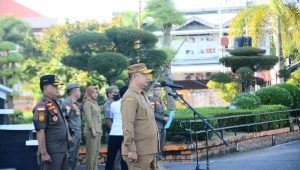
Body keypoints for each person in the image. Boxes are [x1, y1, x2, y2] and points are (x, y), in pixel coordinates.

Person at [121, 63, 159, 170]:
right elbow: (127, 125)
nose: (148, 78)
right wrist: (131, 149)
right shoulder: (130, 97)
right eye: (145, 75)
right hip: (139, 152)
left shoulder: (141, 95)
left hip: (147, 150)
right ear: (135, 77)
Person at [33, 75, 71, 170]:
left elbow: (63, 122)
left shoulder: (55, 103)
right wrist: (44, 153)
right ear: (45, 87)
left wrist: (68, 136)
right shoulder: (42, 105)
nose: (57, 88)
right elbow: (40, 131)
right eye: (54, 86)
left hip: (62, 149)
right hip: (52, 152)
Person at [105, 86, 129, 170]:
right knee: (124, 159)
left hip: (114, 134)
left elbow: (111, 118)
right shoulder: (130, 105)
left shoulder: (113, 104)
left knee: (110, 158)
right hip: (124, 134)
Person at [62, 83, 82, 170]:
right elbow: (64, 119)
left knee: (75, 157)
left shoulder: (75, 103)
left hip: (77, 132)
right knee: (70, 157)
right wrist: (68, 135)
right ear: (74, 91)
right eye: (79, 90)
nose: (80, 92)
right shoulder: (67, 103)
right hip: (72, 133)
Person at [82, 86, 102, 170]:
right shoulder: (87, 103)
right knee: (91, 154)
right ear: (89, 93)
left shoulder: (95, 102)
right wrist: (92, 129)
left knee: (96, 153)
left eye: (96, 92)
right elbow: (88, 118)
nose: (96, 94)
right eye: (93, 92)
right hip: (91, 131)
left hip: (98, 130)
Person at [148, 83, 169, 163]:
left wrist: (167, 116)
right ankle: (154, 165)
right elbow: (151, 113)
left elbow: (161, 112)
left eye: (160, 90)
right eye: (156, 90)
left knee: (161, 147)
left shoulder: (160, 100)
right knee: (156, 148)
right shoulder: (151, 100)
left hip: (163, 126)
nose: (158, 92)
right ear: (152, 91)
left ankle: (157, 164)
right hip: (156, 126)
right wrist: (163, 118)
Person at [103, 86, 122, 170]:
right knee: (113, 156)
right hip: (112, 132)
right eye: (115, 92)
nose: (117, 93)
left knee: (119, 156)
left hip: (118, 132)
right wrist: (114, 131)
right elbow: (108, 121)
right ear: (109, 94)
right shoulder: (108, 105)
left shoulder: (118, 102)